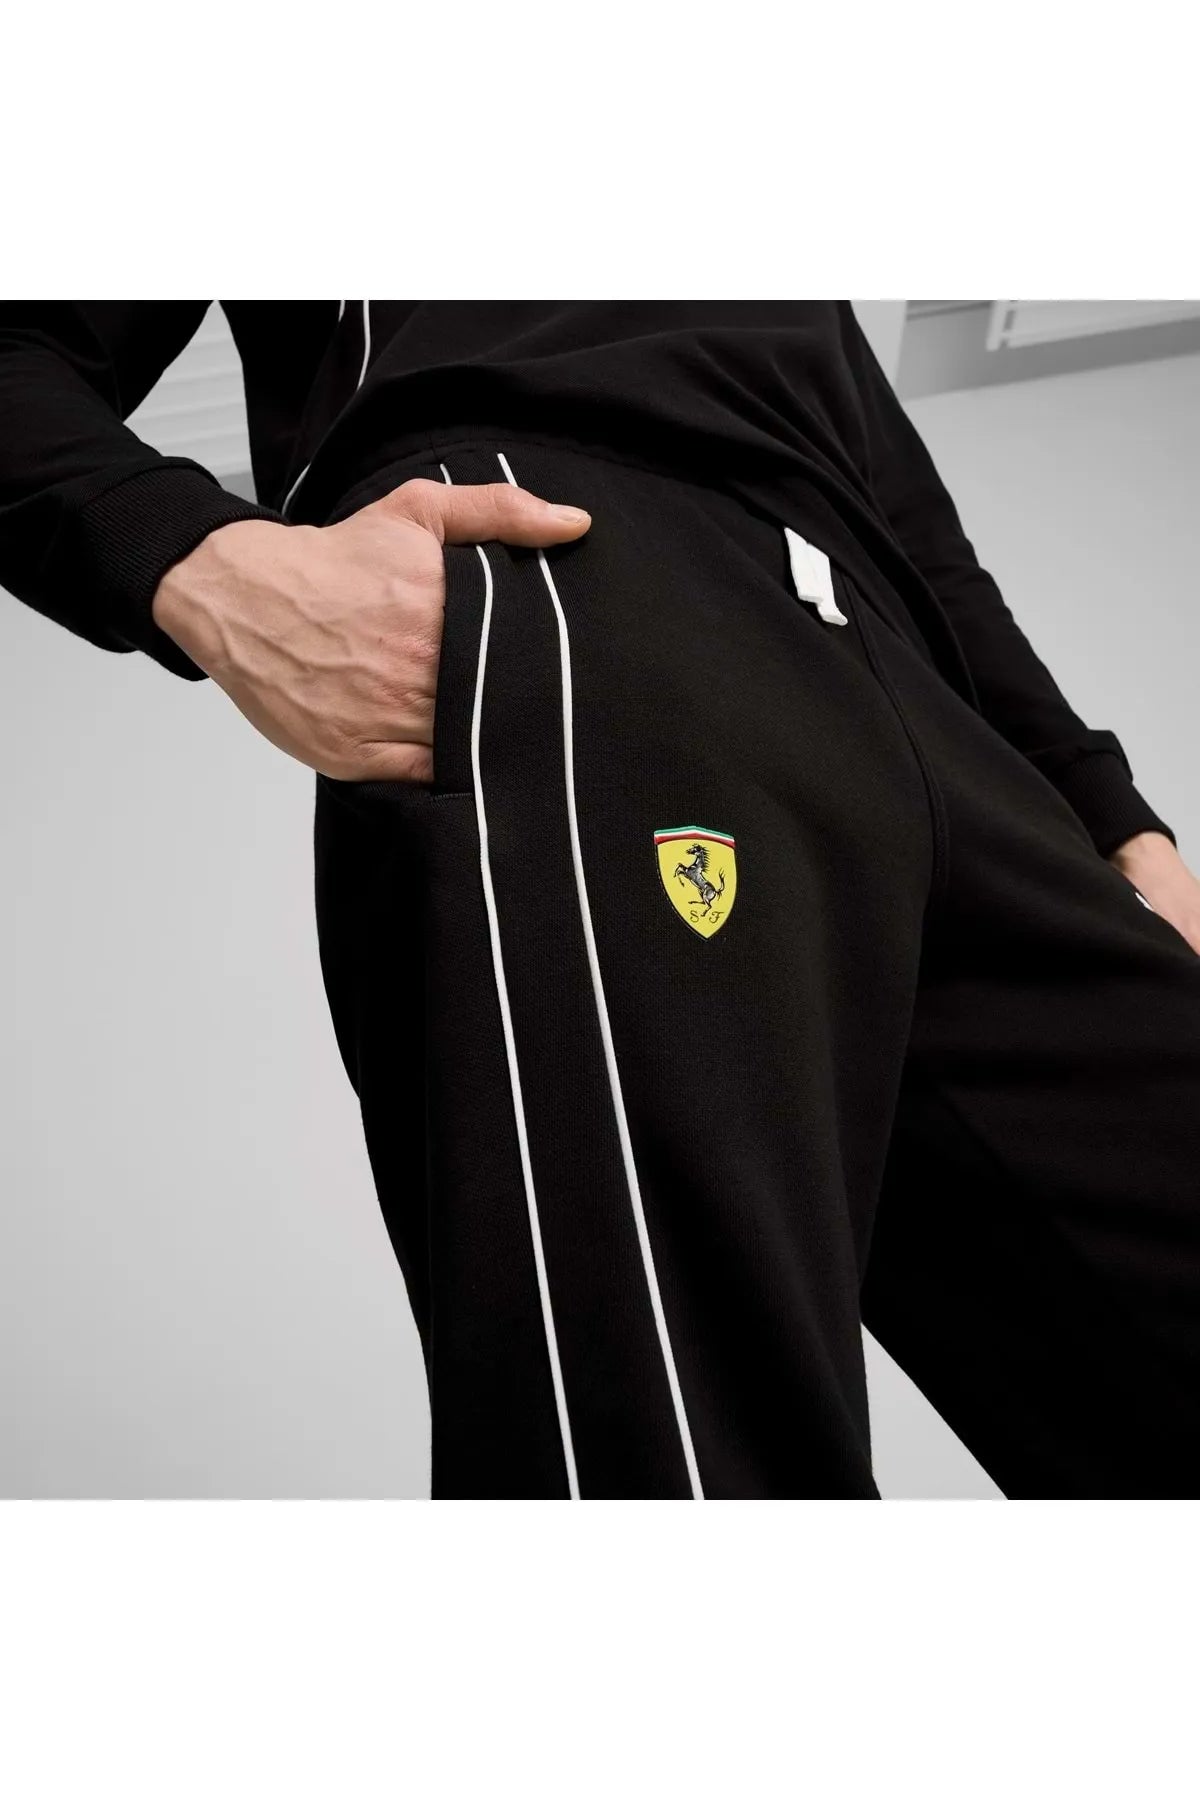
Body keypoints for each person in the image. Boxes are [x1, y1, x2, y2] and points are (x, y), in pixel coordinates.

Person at [1, 300, 1197, 1500]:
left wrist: (1113, 817)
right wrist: (203, 560)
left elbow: (917, 530)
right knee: (679, 1455)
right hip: (572, 587)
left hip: (912, 677)